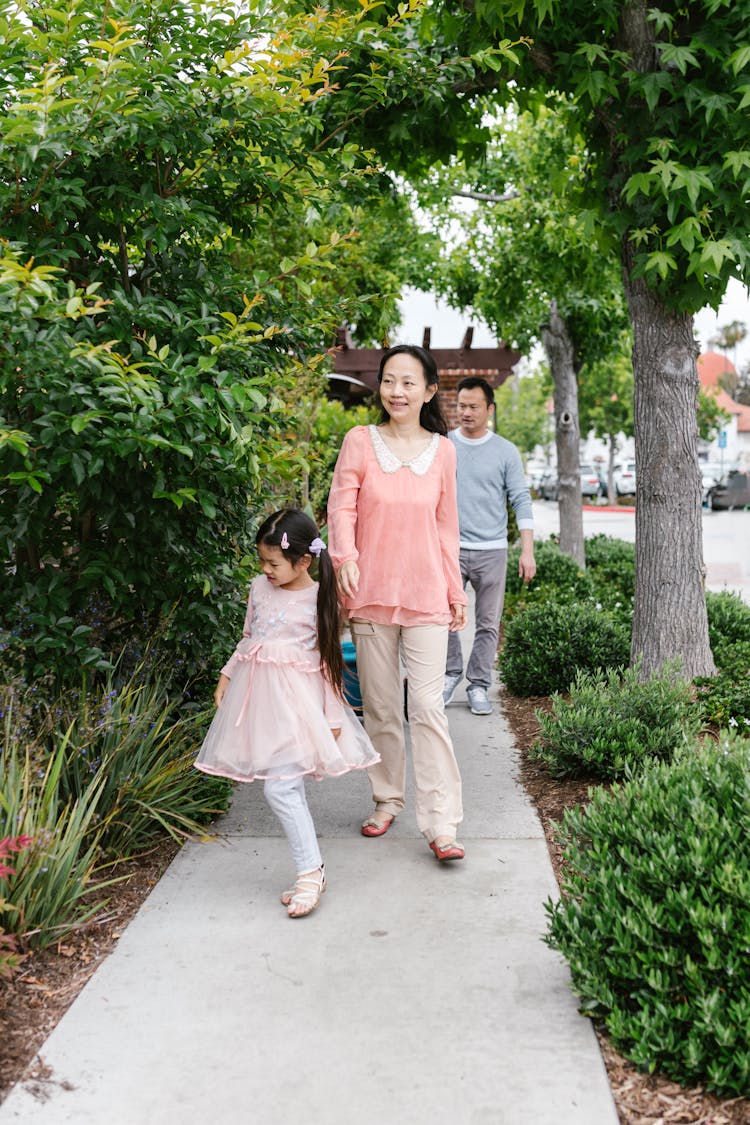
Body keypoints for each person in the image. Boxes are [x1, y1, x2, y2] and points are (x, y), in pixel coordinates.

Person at [195, 508, 379, 918]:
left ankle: (310, 873)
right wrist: (228, 674)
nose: (265, 570)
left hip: (300, 706)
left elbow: (330, 664)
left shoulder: (320, 598)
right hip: (258, 701)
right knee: (282, 789)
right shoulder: (258, 589)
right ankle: (311, 870)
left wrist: (333, 716)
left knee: (281, 789)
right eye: (261, 561)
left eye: (272, 562)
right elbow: (249, 637)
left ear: (304, 561)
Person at [327, 343, 469, 862]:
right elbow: (341, 505)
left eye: (409, 382)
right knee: (383, 709)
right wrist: (344, 558)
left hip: (427, 592)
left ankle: (441, 823)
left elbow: (446, 528)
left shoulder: (444, 451)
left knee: (428, 707)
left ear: (430, 390)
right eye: (389, 381)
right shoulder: (360, 442)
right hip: (370, 594)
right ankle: (387, 798)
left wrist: (455, 590)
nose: (397, 391)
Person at [444, 376, 536, 716]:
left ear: (489, 409)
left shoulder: (505, 452)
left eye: (473, 407)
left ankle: (479, 685)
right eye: (461, 406)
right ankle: (450, 673)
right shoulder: (444, 446)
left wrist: (527, 551)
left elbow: (521, 501)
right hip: (451, 548)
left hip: (492, 550)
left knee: (487, 622)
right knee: (444, 616)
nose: (465, 412)